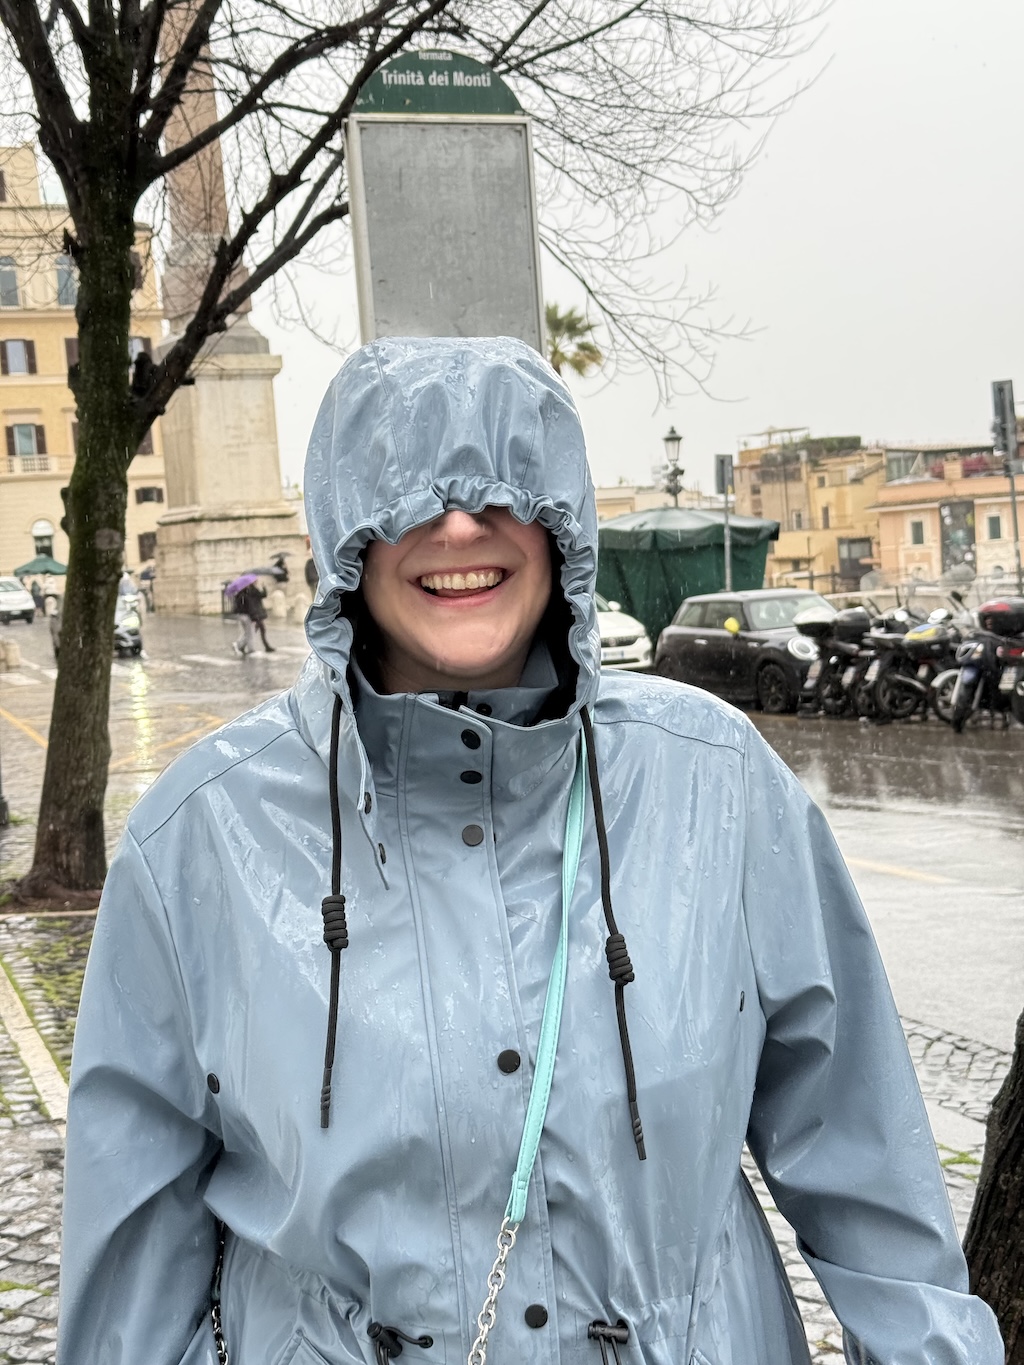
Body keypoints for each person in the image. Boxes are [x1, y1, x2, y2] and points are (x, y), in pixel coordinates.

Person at [56, 337, 1003, 1365]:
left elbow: (858, 1151)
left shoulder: (715, 784)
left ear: (563, 525)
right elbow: (132, 1269)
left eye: (507, 488)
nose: (460, 524)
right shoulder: (201, 837)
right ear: (346, 536)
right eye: (408, 493)